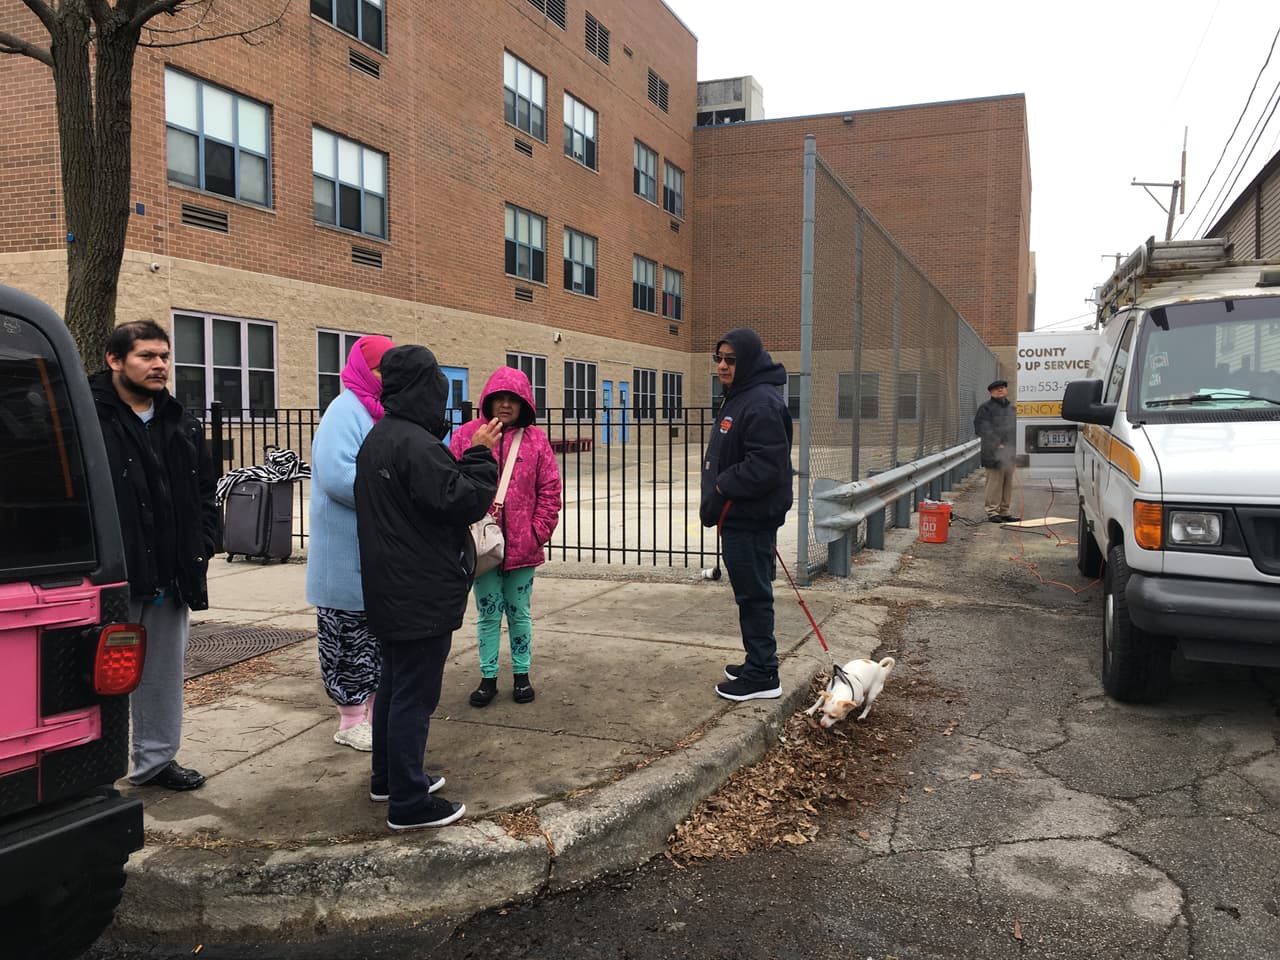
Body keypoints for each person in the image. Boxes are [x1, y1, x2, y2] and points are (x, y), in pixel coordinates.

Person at [354, 344, 501, 830]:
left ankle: (388, 778)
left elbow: (430, 492)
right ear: (423, 388)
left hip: (392, 588)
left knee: (394, 687)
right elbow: (464, 499)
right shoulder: (413, 444)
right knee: (414, 696)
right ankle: (409, 803)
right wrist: (481, 453)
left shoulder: (382, 437)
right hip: (419, 590)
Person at [91, 320, 220, 791]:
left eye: (164, 356)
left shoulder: (179, 420)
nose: (159, 365)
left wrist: (204, 542)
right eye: (147, 356)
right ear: (115, 360)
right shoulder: (88, 415)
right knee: (99, 678)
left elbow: (207, 491)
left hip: (172, 573)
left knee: (162, 673)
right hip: (112, 576)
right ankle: (92, 768)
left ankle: (155, 762)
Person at [449, 367, 562, 707]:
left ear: (524, 403)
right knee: (487, 611)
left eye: (513, 399)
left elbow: (550, 490)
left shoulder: (536, 441)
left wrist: (537, 532)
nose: (505, 405)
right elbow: (451, 482)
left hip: (523, 548)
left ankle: (522, 675)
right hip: (482, 546)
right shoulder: (467, 435)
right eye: (499, 398)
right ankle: (488, 677)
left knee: (519, 611)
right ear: (488, 399)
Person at [306, 335, 394, 752]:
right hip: (343, 555)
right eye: (381, 369)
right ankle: (350, 719)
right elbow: (337, 476)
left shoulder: (376, 411)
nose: (386, 378)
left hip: (371, 552)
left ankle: (372, 714)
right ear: (364, 370)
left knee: (371, 641)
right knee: (346, 640)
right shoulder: (345, 411)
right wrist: (391, 493)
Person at [699, 328, 794, 702]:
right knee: (748, 594)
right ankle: (756, 659)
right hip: (736, 517)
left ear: (748, 361)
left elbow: (766, 465)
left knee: (754, 596)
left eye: (731, 360)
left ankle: (762, 674)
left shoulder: (761, 403)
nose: (722, 366)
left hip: (750, 519)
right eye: (719, 358)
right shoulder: (739, 397)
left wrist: (723, 485)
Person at [974, 378, 1018, 523]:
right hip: (993, 452)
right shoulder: (985, 408)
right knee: (994, 483)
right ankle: (992, 512)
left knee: (1007, 482)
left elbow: (1015, 429)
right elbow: (982, 428)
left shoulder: (1012, 408)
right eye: (996, 388)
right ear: (991, 392)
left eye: (1002, 388)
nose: (1000, 390)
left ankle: (1004, 511)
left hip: (1009, 452)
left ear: (1006, 390)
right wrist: (997, 444)